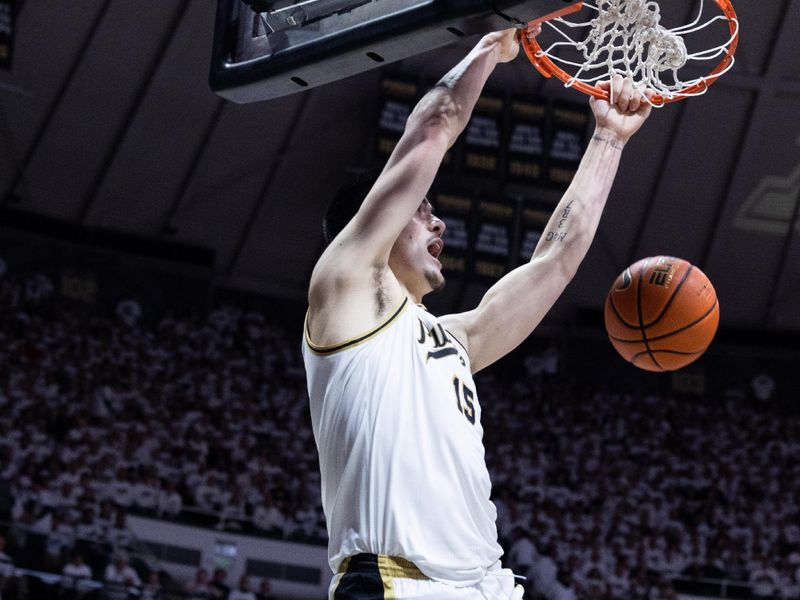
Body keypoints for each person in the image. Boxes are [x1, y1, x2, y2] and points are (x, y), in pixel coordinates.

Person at [302, 23, 652, 600]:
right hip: (396, 583)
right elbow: (432, 128)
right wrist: (491, 48)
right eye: (422, 211)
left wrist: (608, 140)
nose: (439, 223)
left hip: (485, 586)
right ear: (370, 226)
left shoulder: (453, 340)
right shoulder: (344, 290)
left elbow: (555, 264)